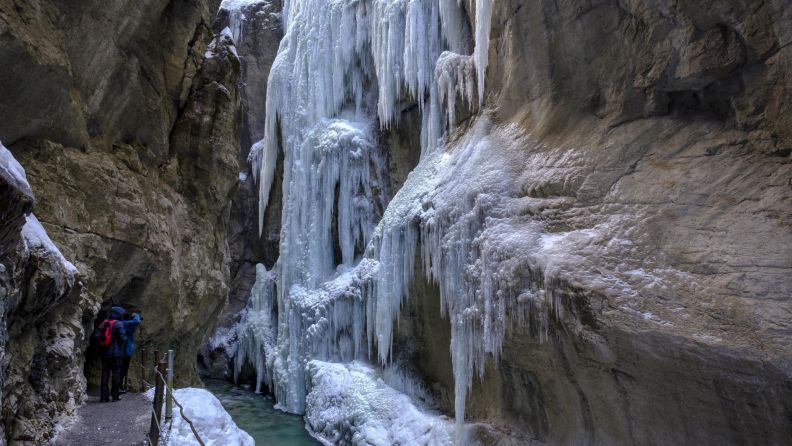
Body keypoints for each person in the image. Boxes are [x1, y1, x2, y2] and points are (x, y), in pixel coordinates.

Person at [97, 306, 128, 402]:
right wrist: (121, 346)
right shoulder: (118, 324)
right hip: (116, 354)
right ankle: (115, 396)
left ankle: (104, 397)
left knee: (105, 374)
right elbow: (123, 339)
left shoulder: (104, 322)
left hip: (104, 353)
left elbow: (97, 336)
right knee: (116, 374)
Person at [119, 311, 141, 393]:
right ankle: (119, 388)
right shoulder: (126, 324)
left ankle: (120, 387)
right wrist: (136, 315)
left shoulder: (120, 323)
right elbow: (137, 321)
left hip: (122, 349)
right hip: (125, 350)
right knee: (122, 369)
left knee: (121, 369)